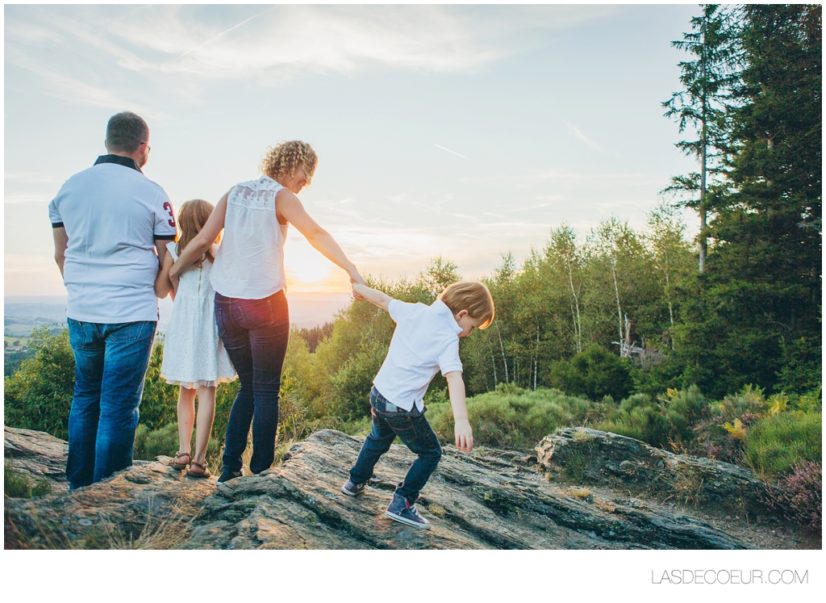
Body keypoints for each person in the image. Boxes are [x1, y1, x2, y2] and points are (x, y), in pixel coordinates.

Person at [169, 141, 364, 483]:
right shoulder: (281, 197)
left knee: (248, 386)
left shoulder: (234, 192)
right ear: (292, 164)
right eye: (307, 172)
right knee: (266, 389)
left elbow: (201, 241)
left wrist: (175, 270)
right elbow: (316, 233)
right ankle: (260, 471)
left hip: (227, 304)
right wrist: (351, 269)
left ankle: (229, 468)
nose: (307, 181)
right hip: (265, 302)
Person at [49, 111, 177, 490]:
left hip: (82, 309)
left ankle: (77, 488)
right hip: (131, 312)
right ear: (143, 148)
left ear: (107, 142)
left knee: (85, 397)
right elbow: (168, 255)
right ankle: (109, 495)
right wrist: (157, 289)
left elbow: (62, 254)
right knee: (119, 408)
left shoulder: (68, 188)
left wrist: (81, 290)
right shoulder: (152, 192)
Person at [341, 281, 495, 529]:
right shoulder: (447, 339)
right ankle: (402, 503)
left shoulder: (415, 310)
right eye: (472, 327)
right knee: (430, 453)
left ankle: (354, 482)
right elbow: (454, 378)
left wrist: (359, 288)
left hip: (379, 394)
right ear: (462, 314)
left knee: (377, 439)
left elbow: (382, 299)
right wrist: (462, 420)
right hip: (401, 407)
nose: (468, 333)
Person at [155, 199, 237, 478]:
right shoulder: (219, 253)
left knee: (185, 392)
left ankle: (183, 451)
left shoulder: (173, 251)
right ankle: (199, 461)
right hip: (209, 324)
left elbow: (161, 288)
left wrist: (175, 275)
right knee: (207, 391)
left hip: (182, 324)